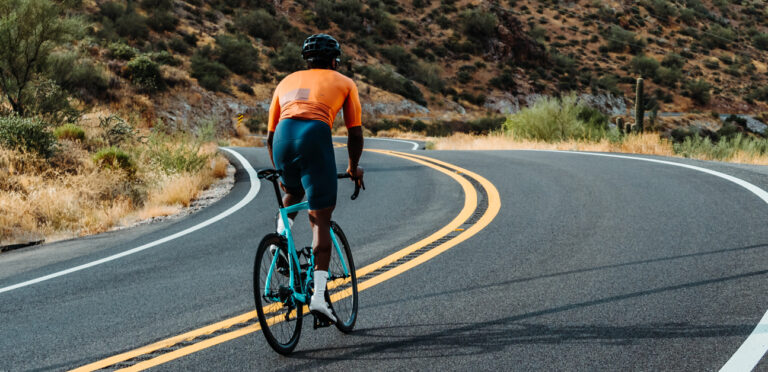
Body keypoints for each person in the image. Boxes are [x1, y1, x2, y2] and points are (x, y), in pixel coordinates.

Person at [266, 34, 364, 324]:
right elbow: (354, 132)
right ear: (335, 61)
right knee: (320, 219)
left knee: (292, 192)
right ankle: (319, 297)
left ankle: (278, 242)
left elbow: (270, 137)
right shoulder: (345, 83)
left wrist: (283, 171)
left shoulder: (285, 82)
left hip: (283, 139)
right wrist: (353, 167)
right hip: (314, 135)